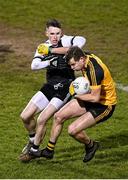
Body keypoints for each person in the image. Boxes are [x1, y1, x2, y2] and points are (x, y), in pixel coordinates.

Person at [19, 19, 86, 162]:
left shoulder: (66, 41)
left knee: (42, 118)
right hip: (50, 86)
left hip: (66, 86)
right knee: (25, 116)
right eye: (52, 34)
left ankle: (33, 151)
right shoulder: (43, 46)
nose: (55, 37)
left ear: (62, 33)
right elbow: (34, 65)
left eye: (58, 33)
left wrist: (52, 51)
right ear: (46, 33)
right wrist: (50, 61)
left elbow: (81, 41)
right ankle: (32, 139)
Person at [38, 46, 117, 163]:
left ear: (81, 59)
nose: (72, 68)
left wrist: (75, 94)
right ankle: (49, 151)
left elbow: (95, 98)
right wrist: (50, 50)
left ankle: (91, 145)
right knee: (58, 116)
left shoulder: (95, 71)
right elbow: (69, 49)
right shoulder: (83, 56)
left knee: (72, 130)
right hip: (91, 96)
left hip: (104, 105)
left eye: (73, 64)